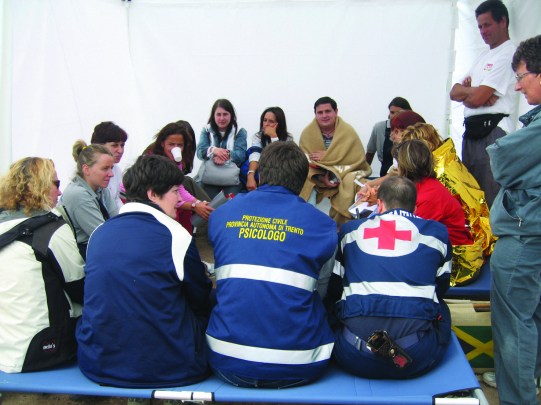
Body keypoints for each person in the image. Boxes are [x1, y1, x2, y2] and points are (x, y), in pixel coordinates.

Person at [206, 141, 337, 388]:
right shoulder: (323, 225)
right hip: (300, 364)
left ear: (260, 174)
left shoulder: (222, 215)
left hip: (226, 360)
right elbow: (322, 291)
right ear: (302, 182)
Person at [77, 154, 212, 388]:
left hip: (99, 363)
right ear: (152, 194)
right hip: (171, 367)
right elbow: (199, 298)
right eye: (175, 191)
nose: (180, 199)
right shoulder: (176, 235)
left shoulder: (99, 233)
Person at [331, 175, 452, 379]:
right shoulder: (437, 234)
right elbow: (442, 287)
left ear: (379, 204)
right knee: (440, 306)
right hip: (415, 355)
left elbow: (335, 288)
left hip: (354, 355)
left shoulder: (350, 231)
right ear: (415, 208)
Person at [485, 35, 541, 405]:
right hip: (531, 232)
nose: (518, 86)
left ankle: (519, 398)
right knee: (530, 317)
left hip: (524, 235)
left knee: (513, 325)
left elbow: (502, 161)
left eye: (521, 77)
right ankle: (525, 382)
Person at [0, 157, 85, 373]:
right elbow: (79, 287)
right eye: (56, 183)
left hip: (6, 349)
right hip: (41, 350)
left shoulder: (4, 225)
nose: (60, 191)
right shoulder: (52, 229)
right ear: (39, 186)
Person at [401, 123, 495, 285]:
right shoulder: (438, 171)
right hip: (462, 241)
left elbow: (413, 234)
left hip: (459, 257)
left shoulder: (436, 184)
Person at [449, 0, 516, 207]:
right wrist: (477, 92)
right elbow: (454, 92)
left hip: (493, 131)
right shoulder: (483, 56)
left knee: (490, 196)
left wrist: (472, 95)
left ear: (503, 21)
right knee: (472, 197)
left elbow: (476, 99)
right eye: (479, 26)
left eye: (487, 25)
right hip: (472, 132)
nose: (483, 31)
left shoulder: (508, 53)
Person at [299, 96, 371, 225]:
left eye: (328, 111)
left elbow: (356, 160)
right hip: (317, 176)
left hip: (344, 174)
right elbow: (304, 161)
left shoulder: (348, 132)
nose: (324, 115)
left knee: (352, 181)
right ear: (315, 114)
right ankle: (306, 221)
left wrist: (328, 156)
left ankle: (341, 226)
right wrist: (322, 178)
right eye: (320, 112)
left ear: (336, 112)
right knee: (305, 180)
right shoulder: (307, 133)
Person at [397, 139, 473, 247]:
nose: (396, 168)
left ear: (404, 166)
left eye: (398, 163)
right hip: (440, 246)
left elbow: (411, 236)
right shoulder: (426, 186)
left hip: (453, 252)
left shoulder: (428, 196)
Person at [146, 122, 213, 234]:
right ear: (162, 143)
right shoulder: (152, 161)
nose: (175, 148)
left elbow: (180, 189)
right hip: (147, 200)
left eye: (179, 145)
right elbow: (162, 196)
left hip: (164, 198)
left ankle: (188, 240)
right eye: (171, 144)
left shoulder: (177, 162)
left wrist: (198, 203)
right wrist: (194, 206)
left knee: (185, 211)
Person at [60, 141, 119, 259]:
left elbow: (117, 222)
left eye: (111, 168)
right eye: (105, 168)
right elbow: (104, 235)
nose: (111, 174)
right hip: (82, 255)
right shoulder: (78, 194)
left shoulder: (101, 189)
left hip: (96, 249)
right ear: (86, 169)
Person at [196, 99, 247, 199]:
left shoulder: (240, 131)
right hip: (209, 177)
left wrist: (224, 155)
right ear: (213, 115)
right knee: (206, 202)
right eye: (218, 114)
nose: (222, 118)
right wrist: (214, 150)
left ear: (231, 115)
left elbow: (241, 155)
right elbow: (200, 152)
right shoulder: (206, 130)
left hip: (231, 179)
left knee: (230, 203)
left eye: (225, 114)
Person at [244, 106, 294, 191]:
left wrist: (274, 137)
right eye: (265, 120)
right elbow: (255, 155)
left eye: (271, 121)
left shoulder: (288, 139)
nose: (266, 124)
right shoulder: (258, 136)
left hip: (279, 175)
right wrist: (250, 175)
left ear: (279, 124)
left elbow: (281, 160)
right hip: (260, 172)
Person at [366, 97, 412, 176]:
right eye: (392, 112)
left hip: (407, 176)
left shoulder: (413, 130)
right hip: (385, 175)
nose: (394, 116)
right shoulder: (379, 128)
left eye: (399, 113)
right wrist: (363, 174)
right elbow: (369, 154)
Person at [90, 121, 128, 208]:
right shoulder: (89, 173)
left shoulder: (117, 169)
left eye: (122, 145)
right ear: (98, 146)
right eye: (114, 145)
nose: (120, 150)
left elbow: (116, 199)